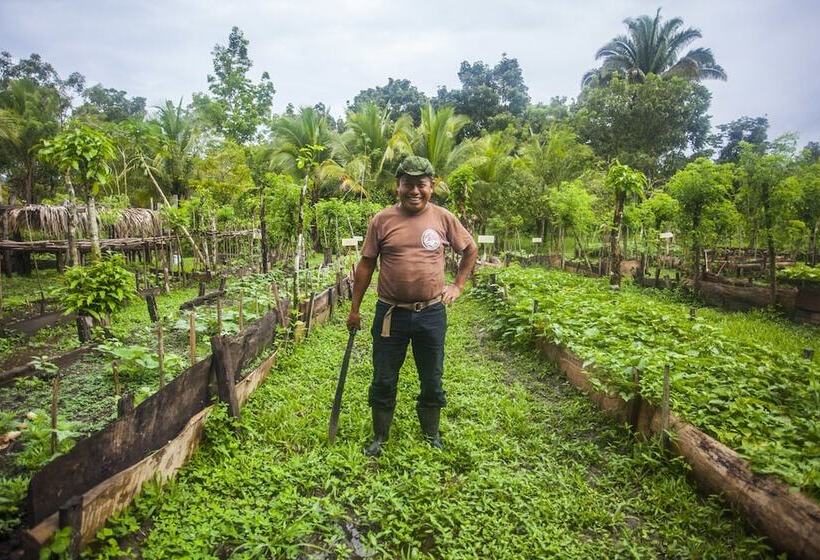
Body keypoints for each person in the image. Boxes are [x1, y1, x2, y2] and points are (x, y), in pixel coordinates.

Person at [346, 155, 478, 456]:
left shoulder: (444, 218)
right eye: (408, 184)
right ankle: (379, 437)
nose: (415, 191)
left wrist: (457, 285)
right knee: (383, 376)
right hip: (390, 313)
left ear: (431, 187)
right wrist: (354, 309)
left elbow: (470, 248)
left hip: (431, 313)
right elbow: (366, 265)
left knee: (432, 376)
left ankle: (431, 434)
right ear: (398, 186)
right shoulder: (381, 220)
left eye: (422, 184)